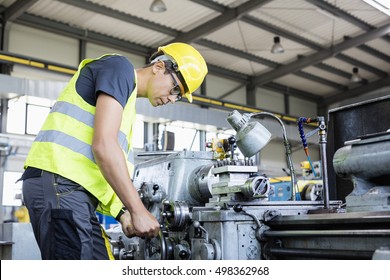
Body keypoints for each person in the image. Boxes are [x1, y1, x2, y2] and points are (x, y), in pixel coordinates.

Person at [20, 42, 208, 260]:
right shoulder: (119, 68)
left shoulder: (125, 105)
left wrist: (122, 214)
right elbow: (104, 147)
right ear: (158, 67)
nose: (172, 98)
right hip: (58, 183)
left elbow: (100, 168)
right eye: (175, 88)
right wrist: (137, 210)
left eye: (179, 96)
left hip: (71, 192)